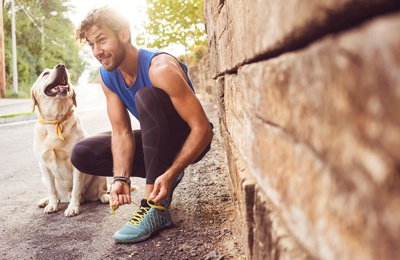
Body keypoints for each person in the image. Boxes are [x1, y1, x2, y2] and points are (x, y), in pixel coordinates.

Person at [71, 6, 213, 243]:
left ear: (123, 35)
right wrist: (121, 179)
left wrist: (173, 171)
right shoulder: (108, 75)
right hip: (157, 140)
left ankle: (154, 207)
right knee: (82, 153)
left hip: (188, 140)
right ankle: (160, 176)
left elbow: (203, 130)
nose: (97, 51)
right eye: (91, 44)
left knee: (145, 96)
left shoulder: (160, 68)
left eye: (102, 40)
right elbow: (121, 132)